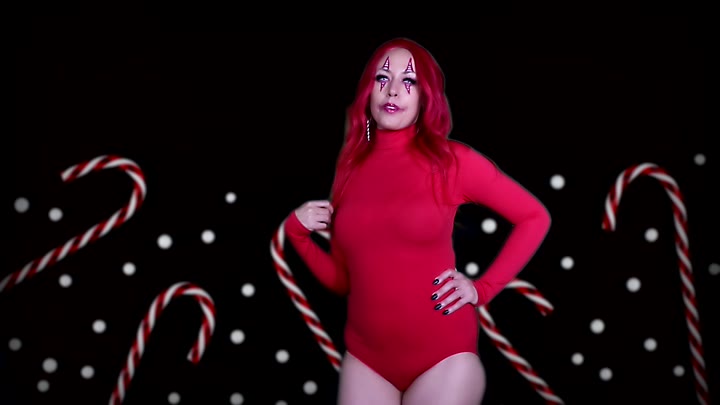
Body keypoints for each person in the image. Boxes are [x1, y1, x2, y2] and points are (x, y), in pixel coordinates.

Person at [284, 37, 551, 405]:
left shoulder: (452, 162)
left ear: (426, 96)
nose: (393, 90)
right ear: (368, 91)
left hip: (444, 360)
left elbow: (535, 217)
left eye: (408, 81)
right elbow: (343, 280)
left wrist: (483, 288)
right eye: (382, 78)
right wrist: (297, 234)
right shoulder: (350, 167)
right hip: (366, 361)